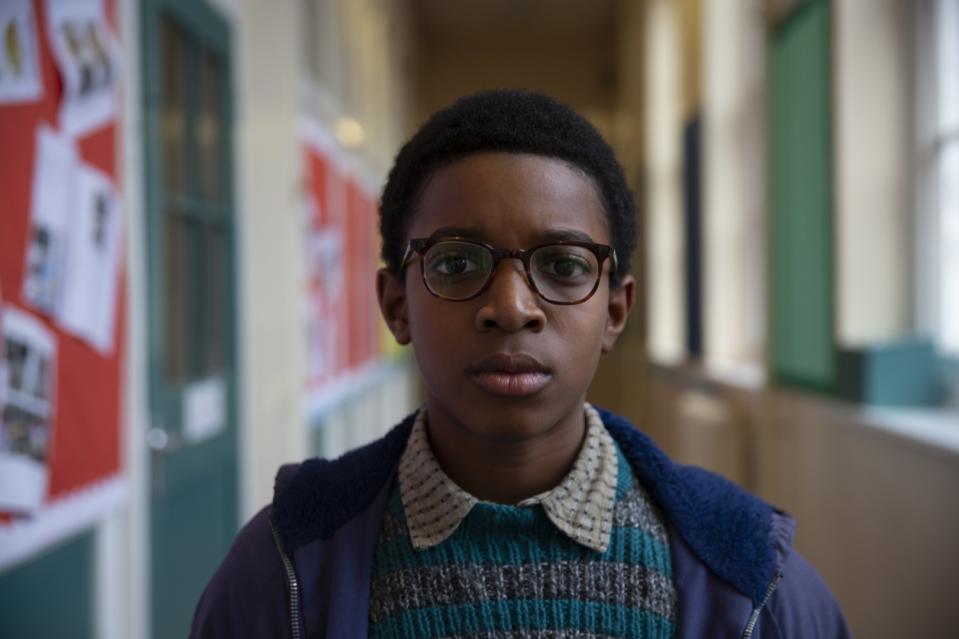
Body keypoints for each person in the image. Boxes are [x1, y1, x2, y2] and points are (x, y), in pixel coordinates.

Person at [190, 90, 850, 638]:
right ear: (396, 305)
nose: (510, 308)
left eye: (562, 266)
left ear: (614, 311)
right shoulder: (285, 565)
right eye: (455, 263)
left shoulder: (749, 572)